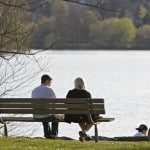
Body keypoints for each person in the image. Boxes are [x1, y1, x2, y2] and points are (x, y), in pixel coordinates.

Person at [65, 77, 97, 142]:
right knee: (95, 117)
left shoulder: (70, 93)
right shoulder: (87, 93)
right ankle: (84, 132)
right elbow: (90, 107)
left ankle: (83, 133)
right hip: (84, 115)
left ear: (75, 84)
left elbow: (66, 104)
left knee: (80, 117)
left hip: (72, 116)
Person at [32, 74, 62, 139]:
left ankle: (47, 134)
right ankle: (53, 134)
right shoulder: (49, 90)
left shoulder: (34, 90)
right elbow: (55, 103)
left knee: (45, 115)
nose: (51, 83)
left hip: (36, 116)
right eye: (50, 81)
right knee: (55, 118)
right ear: (47, 81)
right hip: (46, 115)